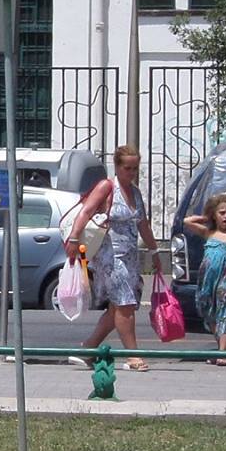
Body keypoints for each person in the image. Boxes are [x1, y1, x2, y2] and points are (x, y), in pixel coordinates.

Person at [67, 143, 160, 372]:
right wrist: (74, 237)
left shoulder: (135, 193)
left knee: (117, 308)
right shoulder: (106, 187)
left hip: (130, 257)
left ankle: (88, 349)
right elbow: (86, 211)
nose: (131, 173)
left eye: (135, 168)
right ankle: (133, 356)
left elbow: (143, 224)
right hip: (110, 257)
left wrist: (154, 251)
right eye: (127, 168)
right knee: (124, 305)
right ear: (117, 167)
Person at [182, 191, 226, 363]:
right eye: (222, 213)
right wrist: (206, 217)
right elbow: (187, 221)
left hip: (225, 279)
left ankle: (223, 353)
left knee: (225, 311)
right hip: (208, 280)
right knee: (210, 312)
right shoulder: (209, 233)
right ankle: (222, 349)